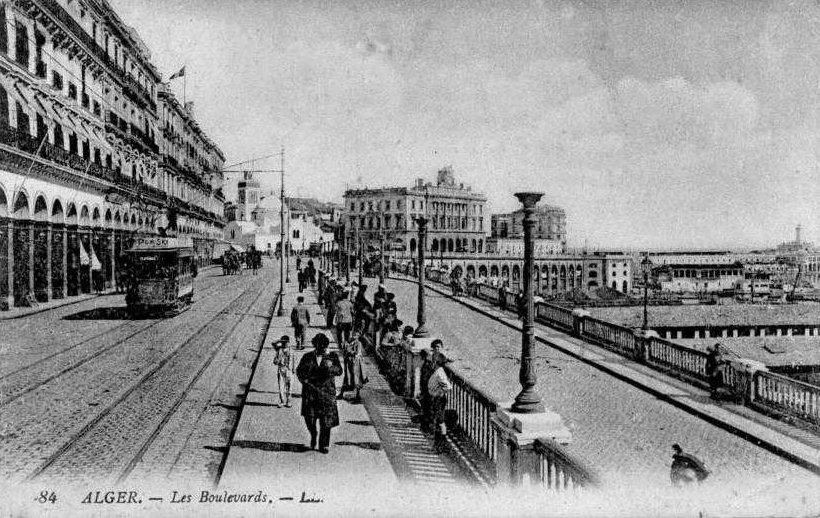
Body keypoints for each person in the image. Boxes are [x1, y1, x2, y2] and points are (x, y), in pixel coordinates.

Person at [296, 333, 343, 453]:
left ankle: (324, 445)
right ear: (315, 346)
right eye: (319, 347)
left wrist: (330, 367)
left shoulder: (332, 356)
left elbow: (339, 371)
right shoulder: (307, 356)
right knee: (310, 419)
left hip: (326, 394)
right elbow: (299, 371)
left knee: (326, 421)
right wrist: (303, 380)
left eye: (324, 347)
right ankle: (313, 434)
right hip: (311, 393)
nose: (322, 349)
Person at [428, 350, 453, 453]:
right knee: (438, 421)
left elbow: (448, 386)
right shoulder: (438, 371)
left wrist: (441, 392)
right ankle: (438, 444)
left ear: (437, 362)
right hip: (436, 399)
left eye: (434, 360)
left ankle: (440, 445)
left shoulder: (439, 373)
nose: (432, 362)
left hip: (438, 399)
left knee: (440, 422)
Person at [339, 331, 368, 402]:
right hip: (349, 362)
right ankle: (341, 394)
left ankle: (357, 395)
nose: (354, 337)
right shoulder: (349, 342)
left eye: (356, 336)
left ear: (358, 337)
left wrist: (348, 349)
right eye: (353, 335)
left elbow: (357, 353)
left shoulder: (358, 343)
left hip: (356, 363)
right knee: (347, 377)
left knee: (356, 378)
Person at [272, 335, 294, 407]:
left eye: (286, 342)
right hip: (281, 369)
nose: (285, 344)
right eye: (283, 343)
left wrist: (293, 369)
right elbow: (273, 343)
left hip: (289, 370)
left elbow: (294, 360)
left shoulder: (291, 350)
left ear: (288, 342)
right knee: (281, 386)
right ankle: (282, 401)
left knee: (289, 386)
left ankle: (289, 401)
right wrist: (279, 341)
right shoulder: (279, 349)